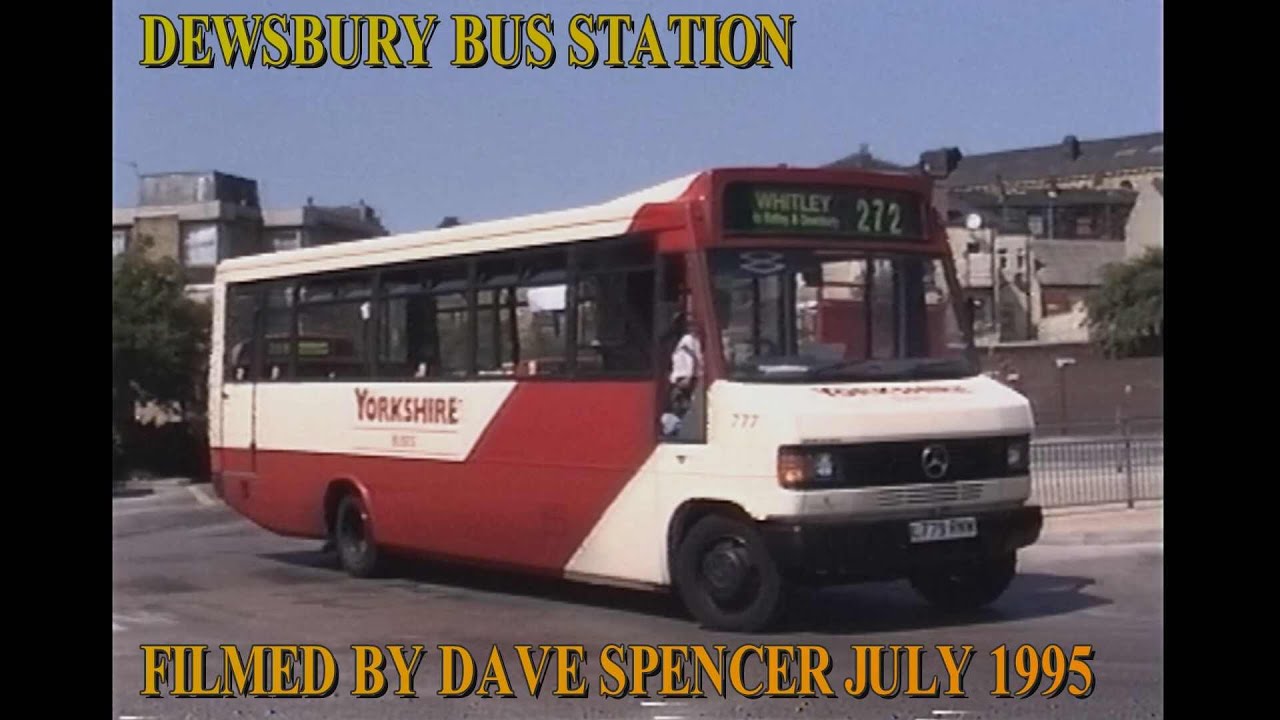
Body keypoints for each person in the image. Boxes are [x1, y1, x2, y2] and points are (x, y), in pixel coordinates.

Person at [661, 317, 703, 437]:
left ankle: (671, 429)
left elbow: (690, 359)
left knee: (676, 405)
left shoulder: (687, 339)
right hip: (686, 377)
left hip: (682, 377)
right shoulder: (694, 340)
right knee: (681, 405)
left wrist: (687, 377)